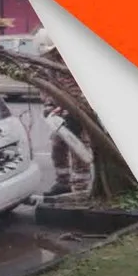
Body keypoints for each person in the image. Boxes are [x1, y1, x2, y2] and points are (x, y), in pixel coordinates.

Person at [32, 28, 93, 196]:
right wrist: (49, 107)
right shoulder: (49, 66)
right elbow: (48, 90)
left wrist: (69, 109)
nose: (51, 56)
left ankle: (81, 189)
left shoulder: (71, 63)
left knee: (79, 150)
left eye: (52, 53)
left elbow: (78, 92)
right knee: (57, 146)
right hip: (62, 115)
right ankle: (63, 183)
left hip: (79, 114)